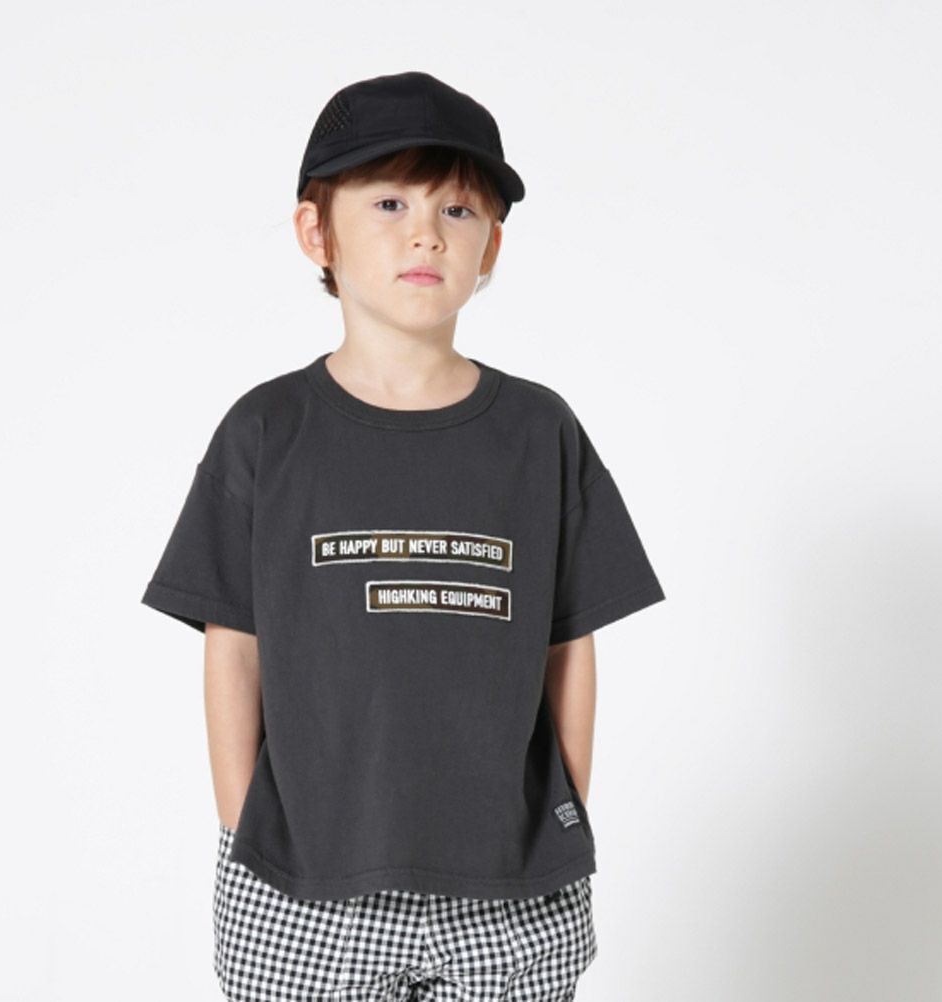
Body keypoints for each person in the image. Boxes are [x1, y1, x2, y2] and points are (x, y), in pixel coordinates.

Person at [141, 70, 666, 1002]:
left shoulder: (538, 432)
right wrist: (243, 828)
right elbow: (233, 645)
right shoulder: (267, 432)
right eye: (389, 202)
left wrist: (558, 816)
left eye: (457, 210)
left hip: (510, 889)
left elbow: (570, 644)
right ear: (317, 233)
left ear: (491, 243)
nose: (426, 233)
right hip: (303, 887)